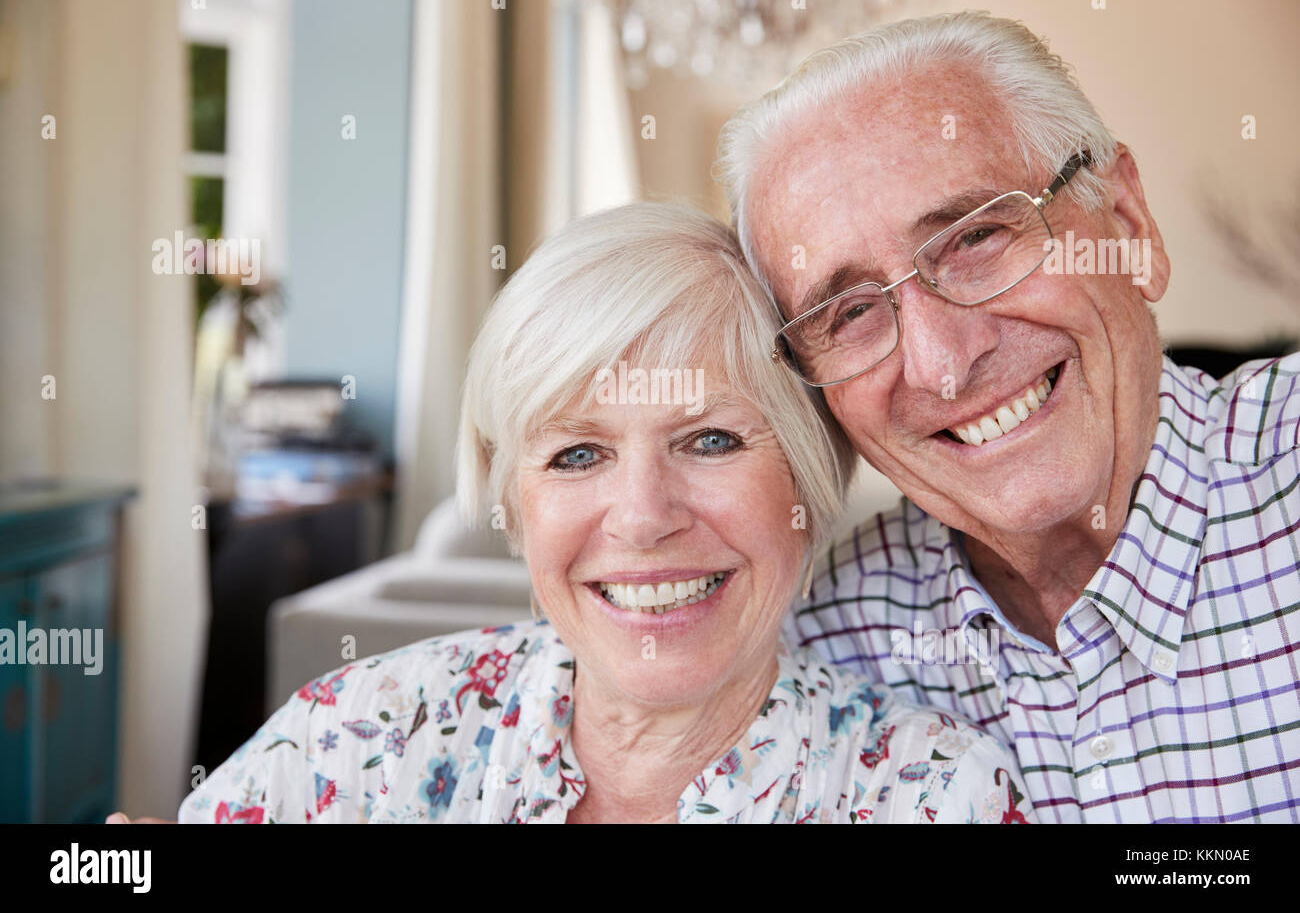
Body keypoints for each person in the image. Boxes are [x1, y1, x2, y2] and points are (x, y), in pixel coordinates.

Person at [171, 202, 1030, 824]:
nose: (643, 517)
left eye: (710, 441)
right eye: (577, 455)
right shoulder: (359, 734)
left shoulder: (937, 794)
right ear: (513, 500)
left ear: (807, 481)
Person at [716, 10, 1300, 823]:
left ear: (1128, 223)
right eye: (848, 314)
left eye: (977, 237)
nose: (944, 365)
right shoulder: (820, 641)